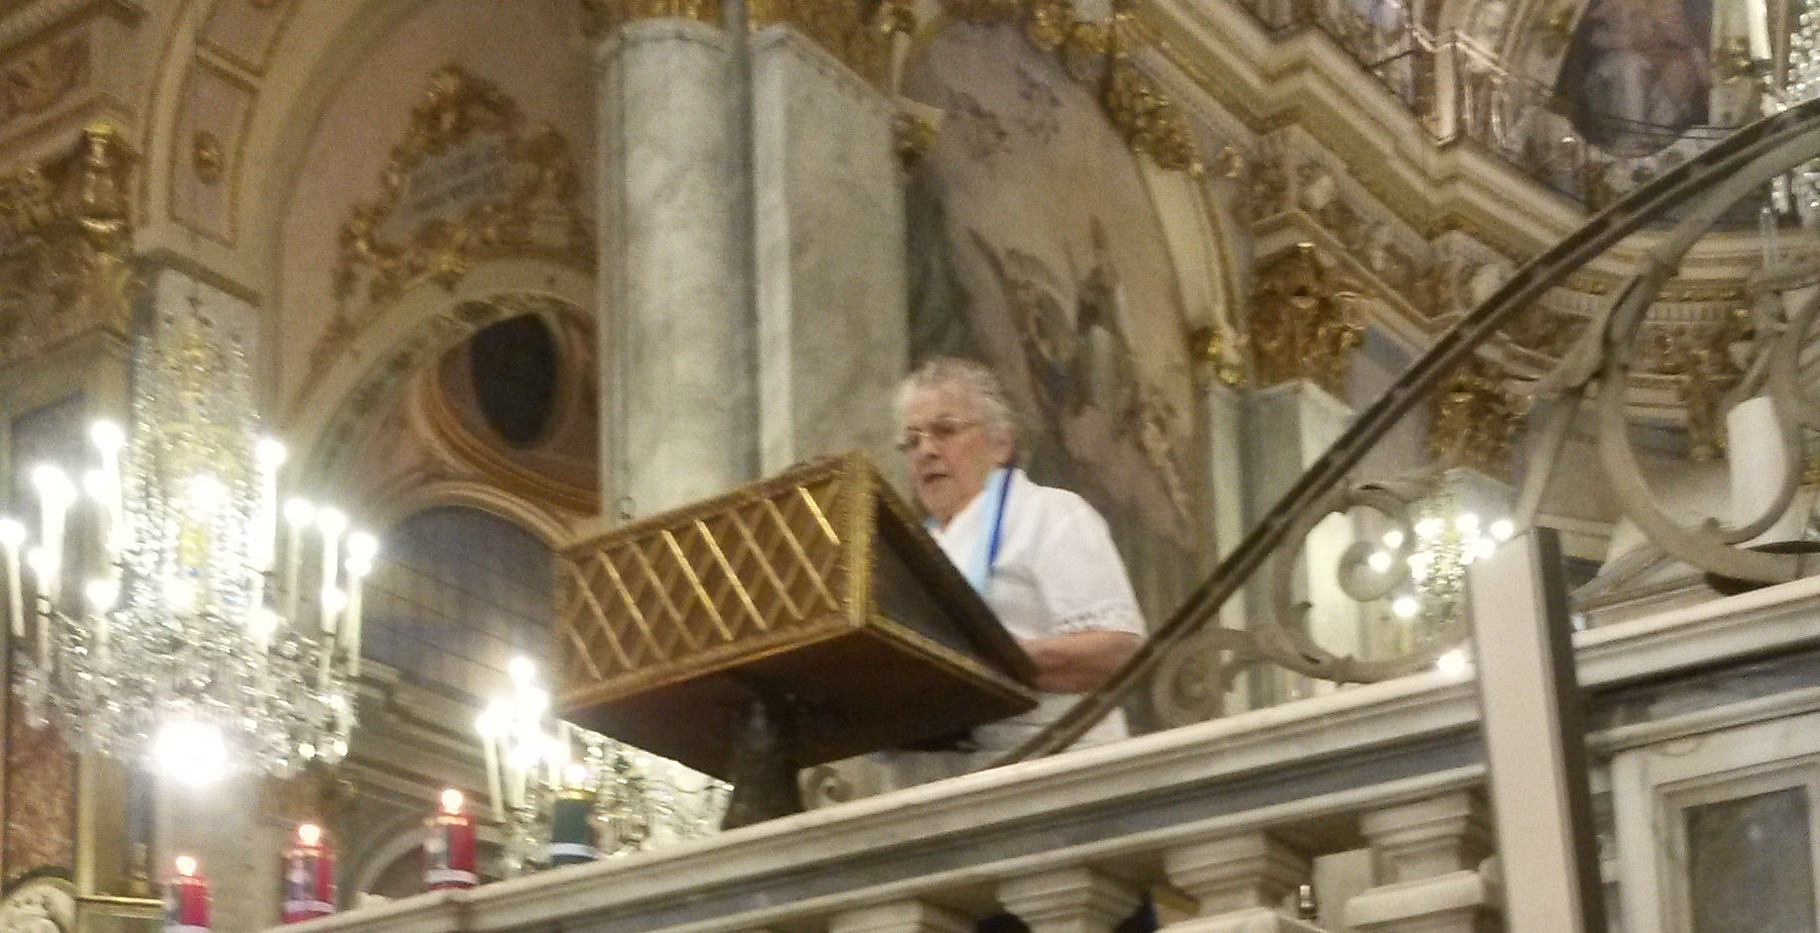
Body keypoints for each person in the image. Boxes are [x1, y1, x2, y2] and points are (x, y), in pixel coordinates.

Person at [883, 356, 1145, 787]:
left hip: (1050, 777)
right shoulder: (912, 552)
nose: (926, 450)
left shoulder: (1050, 514)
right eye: (911, 441)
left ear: (1000, 443)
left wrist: (980, 665)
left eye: (945, 430)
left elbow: (1117, 653)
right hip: (931, 799)